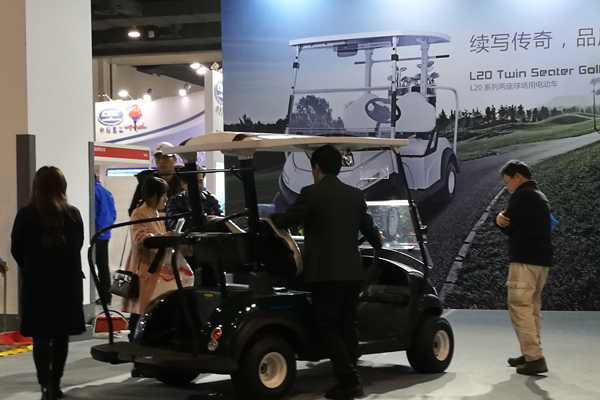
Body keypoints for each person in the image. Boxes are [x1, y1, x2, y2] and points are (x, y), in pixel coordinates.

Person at [271, 145, 382, 400]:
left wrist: (267, 221)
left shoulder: (311, 193)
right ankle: (350, 376)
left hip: (326, 273)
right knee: (348, 325)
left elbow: (286, 221)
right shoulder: (355, 195)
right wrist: (378, 241)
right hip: (353, 271)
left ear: (317, 168)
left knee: (328, 327)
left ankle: (349, 381)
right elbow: (370, 231)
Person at [11, 166, 85, 400]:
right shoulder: (73, 214)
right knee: (62, 334)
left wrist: (31, 266)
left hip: (37, 282)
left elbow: (16, 249)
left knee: (40, 334)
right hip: (67, 282)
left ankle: (45, 385)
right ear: (63, 186)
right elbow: (78, 244)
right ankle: (56, 382)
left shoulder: (26, 215)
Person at [495, 160, 553, 375]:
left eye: (507, 182)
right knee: (532, 308)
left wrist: (498, 218)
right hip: (541, 260)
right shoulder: (539, 195)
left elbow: (507, 224)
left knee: (520, 306)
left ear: (517, 177)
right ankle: (530, 352)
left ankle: (534, 357)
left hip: (525, 260)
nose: (506, 187)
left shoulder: (522, 195)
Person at [121, 177, 174, 343]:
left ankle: (144, 338)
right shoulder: (139, 213)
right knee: (140, 308)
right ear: (152, 196)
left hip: (154, 266)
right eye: (162, 195)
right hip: (142, 268)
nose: (166, 199)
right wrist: (165, 236)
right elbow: (140, 238)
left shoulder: (155, 213)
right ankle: (135, 339)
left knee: (147, 306)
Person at [127, 142, 183, 216]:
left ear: (174, 160)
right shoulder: (147, 182)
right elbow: (133, 210)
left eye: (165, 157)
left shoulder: (184, 180)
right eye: (158, 158)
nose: (161, 161)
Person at [165, 165, 223, 231]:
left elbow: (222, 221)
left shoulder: (211, 199)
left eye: (200, 182)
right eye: (193, 182)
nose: (198, 185)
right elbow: (174, 225)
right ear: (182, 184)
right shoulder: (175, 201)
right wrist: (206, 220)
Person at [94, 175, 116, 305]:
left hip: (96, 233)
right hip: (106, 232)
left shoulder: (92, 192)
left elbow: (92, 213)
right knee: (103, 266)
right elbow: (113, 213)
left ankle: (97, 295)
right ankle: (106, 296)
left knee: (93, 265)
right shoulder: (107, 192)